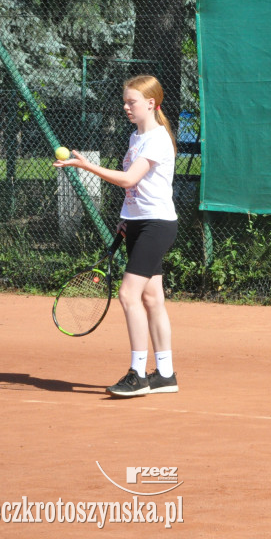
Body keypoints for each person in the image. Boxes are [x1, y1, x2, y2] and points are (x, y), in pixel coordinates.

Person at [55, 75, 179, 397]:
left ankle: (138, 374)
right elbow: (136, 190)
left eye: (132, 102)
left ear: (151, 103)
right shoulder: (135, 137)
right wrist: (126, 223)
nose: (126, 107)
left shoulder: (157, 139)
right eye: (125, 101)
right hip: (138, 222)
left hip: (157, 224)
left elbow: (128, 179)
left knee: (128, 295)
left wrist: (85, 167)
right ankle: (165, 374)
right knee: (152, 298)